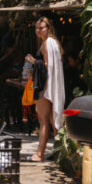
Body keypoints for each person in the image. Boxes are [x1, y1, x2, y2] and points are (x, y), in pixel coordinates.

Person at [26, 17, 64, 162]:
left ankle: (39, 154)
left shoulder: (46, 44)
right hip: (53, 86)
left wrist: (33, 61)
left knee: (43, 121)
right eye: (37, 27)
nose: (38, 30)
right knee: (53, 120)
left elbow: (47, 66)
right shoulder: (54, 43)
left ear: (48, 28)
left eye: (41, 27)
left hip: (45, 87)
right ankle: (61, 154)